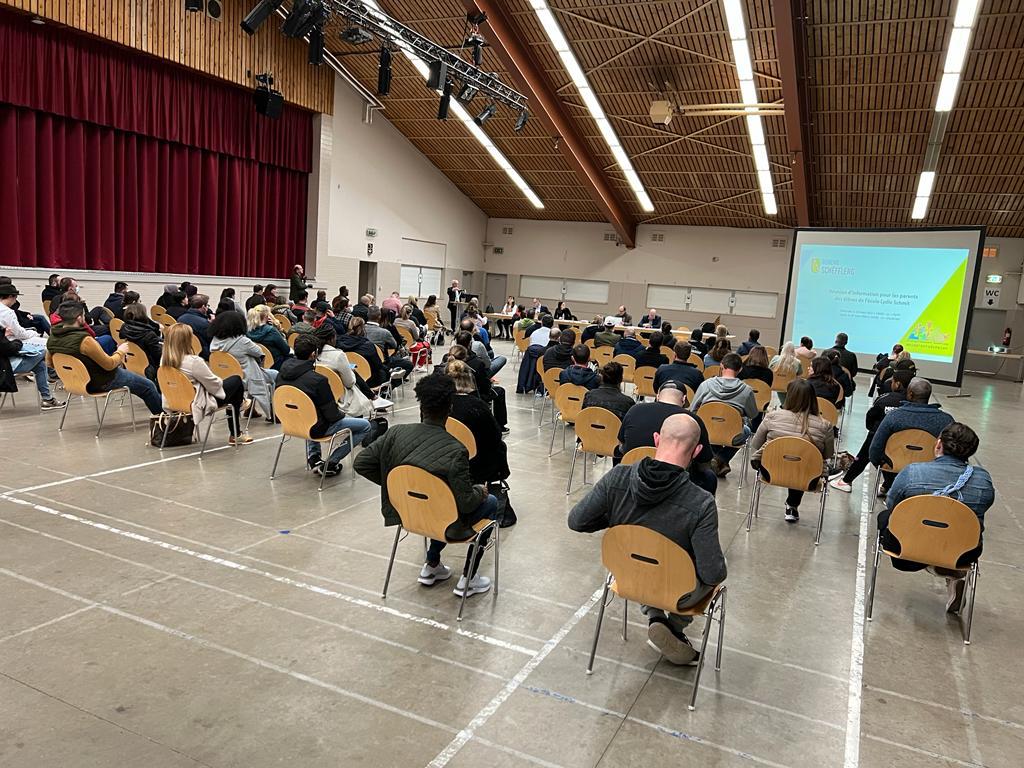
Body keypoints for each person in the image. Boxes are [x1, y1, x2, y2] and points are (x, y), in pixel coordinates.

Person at [569, 413, 726, 664]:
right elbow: (712, 573)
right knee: (710, 565)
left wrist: (617, 520)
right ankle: (673, 626)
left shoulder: (617, 477)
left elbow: (576, 521)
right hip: (679, 592)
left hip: (628, 577)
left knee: (644, 559)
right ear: (697, 451)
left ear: (656, 440)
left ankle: (656, 617)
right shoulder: (701, 502)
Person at [354, 372, 499, 596]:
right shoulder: (456, 450)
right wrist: (480, 491)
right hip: (444, 520)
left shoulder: (395, 432)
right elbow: (467, 503)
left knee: (440, 501)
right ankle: (468, 578)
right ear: (450, 408)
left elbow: (361, 463)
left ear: (421, 406)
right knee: (491, 502)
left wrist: (395, 488)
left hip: (408, 513)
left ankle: (432, 565)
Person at [880, 422, 994, 613]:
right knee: (951, 531)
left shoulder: (912, 472)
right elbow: (983, 507)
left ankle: (937, 563)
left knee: (885, 517)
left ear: (939, 444)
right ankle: (946, 568)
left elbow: (892, 505)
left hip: (907, 548)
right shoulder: (983, 480)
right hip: (962, 552)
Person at [46, 301, 162, 415]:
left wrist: (75, 371)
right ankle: (163, 418)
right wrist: (120, 352)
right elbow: (109, 365)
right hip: (102, 380)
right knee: (148, 386)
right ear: (79, 318)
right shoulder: (85, 341)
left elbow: (50, 363)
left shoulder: (52, 338)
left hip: (75, 382)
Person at [278, 335, 371, 476]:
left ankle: (314, 456)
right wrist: (343, 413)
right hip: (316, 428)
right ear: (313, 354)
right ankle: (331, 462)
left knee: (310, 413)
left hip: (290, 423)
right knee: (365, 426)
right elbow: (332, 416)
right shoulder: (318, 381)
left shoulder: (280, 374)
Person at [749, 379, 834, 522]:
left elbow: (756, 444)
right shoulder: (825, 426)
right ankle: (792, 505)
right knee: (804, 463)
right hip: (808, 478)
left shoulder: (772, 416)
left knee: (794, 462)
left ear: (789, 396)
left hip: (770, 471)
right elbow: (827, 454)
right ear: (813, 398)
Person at [618, 381, 716, 493]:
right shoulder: (693, 421)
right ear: (684, 399)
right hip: (675, 483)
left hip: (632, 473)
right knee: (710, 477)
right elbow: (704, 462)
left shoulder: (634, 410)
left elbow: (621, 446)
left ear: (658, 396)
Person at [161, 325, 251, 445]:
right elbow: (214, 385)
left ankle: (240, 406)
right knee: (236, 381)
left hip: (175, 401)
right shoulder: (194, 362)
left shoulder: (164, 361)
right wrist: (219, 380)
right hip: (198, 403)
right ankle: (236, 432)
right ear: (186, 340)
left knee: (232, 388)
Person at [830, 368, 915, 493]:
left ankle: (846, 481)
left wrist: (873, 429)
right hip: (903, 448)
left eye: (892, 381)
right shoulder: (914, 405)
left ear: (897, 384)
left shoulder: (884, 399)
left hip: (878, 441)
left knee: (865, 454)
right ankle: (887, 486)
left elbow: (870, 417)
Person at [446, 361, 512, 517]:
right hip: (476, 465)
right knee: (500, 447)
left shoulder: (438, 406)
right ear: (470, 379)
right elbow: (495, 436)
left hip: (445, 462)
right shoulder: (478, 406)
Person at [869, 377, 955, 496]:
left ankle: (890, 486)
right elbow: (952, 453)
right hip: (930, 471)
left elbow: (875, 449)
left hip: (895, 467)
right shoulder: (946, 420)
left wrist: (882, 465)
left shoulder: (894, 416)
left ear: (910, 394)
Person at [690, 353, 757, 478]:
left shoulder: (706, 385)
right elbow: (753, 414)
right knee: (747, 430)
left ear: (721, 366)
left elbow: (693, 409)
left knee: (710, 429)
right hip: (732, 434)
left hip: (706, 431)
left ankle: (713, 458)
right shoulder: (747, 390)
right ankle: (721, 458)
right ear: (740, 369)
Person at [210, 309, 278, 421]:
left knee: (254, 372)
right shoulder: (242, 341)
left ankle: (251, 409)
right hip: (244, 380)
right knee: (274, 374)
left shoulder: (214, 342)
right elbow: (260, 353)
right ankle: (273, 412)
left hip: (224, 379)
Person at [0, 300, 64, 409]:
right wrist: (14, 340)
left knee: (40, 365)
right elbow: (8, 347)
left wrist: (5, 335)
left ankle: (47, 399)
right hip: (6, 366)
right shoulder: (7, 312)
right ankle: (54, 375)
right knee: (46, 349)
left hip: (7, 361)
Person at [313, 324, 375, 419]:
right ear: (331, 339)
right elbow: (349, 383)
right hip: (341, 398)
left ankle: (373, 396)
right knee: (354, 378)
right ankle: (373, 398)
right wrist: (351, 372)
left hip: (321, 397)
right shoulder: (338, 355)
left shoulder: (313, 354)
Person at [454, 330, 508, 432]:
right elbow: (485, 387)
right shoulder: (477, 363)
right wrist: (489, 384)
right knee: (500, 391)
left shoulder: (448, 359)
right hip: (475, 395)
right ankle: (500, 425)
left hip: (453, 393)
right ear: (470, 344)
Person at [336, 317, 387, 387]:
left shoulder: (337, 343)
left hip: (343, 381)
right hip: (368, 382)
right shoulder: (368, 346)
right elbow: (377, 365)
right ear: (363, 328)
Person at [119, 303, 163, 380]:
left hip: (128, 364)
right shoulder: (149, 334)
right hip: (148, 369)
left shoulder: (124, 329)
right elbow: (158, 355)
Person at [246, 305, 290, 370]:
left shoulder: (247, 331)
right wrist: (277, 329)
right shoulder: (271, 331)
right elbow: (286, 350)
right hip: (275, 364)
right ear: (267, 317)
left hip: (255, 364)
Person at [178, 294, 212, 359]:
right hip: (202, 354)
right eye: (207, 305)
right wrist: (213, 325)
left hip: (184, 350)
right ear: (203, 307)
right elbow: (211, 340)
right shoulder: (204, 323)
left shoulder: (180, 319)